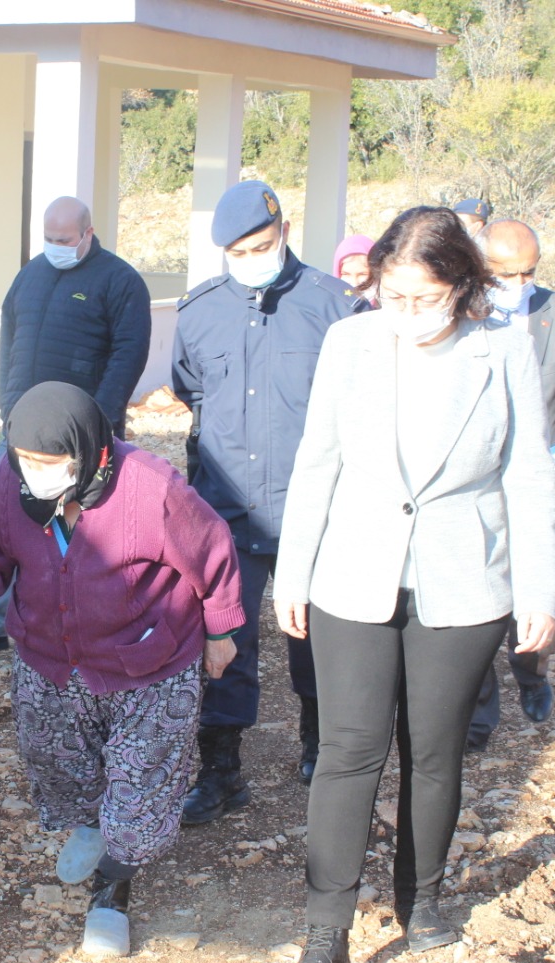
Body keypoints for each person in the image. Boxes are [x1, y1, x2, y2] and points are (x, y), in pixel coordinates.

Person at [271, 206, 555, 963]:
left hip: (463, 576)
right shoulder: (350, 343)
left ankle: (422, 899)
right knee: (348, 751)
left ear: (463, 289)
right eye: (390, 297)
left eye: (423, 299)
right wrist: (291, 572)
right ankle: (324, 935)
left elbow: (528, 473)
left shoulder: (503, 349)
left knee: (432, 752)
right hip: (353, 572)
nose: (405, 315)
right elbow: (317, 462)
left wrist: (540, 588)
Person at [0, 383, 242, 958]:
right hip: (49, 656)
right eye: (26, 461)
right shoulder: (9, 481)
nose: (36, 473)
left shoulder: (150, 486)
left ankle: (112, 891)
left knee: (142, 778)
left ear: (91, 451)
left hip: (148, 658)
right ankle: (91, 826)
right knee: (57, 758)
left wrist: (220, 629)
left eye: (51, 463)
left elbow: (213, 551)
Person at [171, 180, 365, 820]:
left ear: (284, 232)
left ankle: (320, 746)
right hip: (225, 511)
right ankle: (221, 769)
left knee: (315, 637)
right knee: (223, 639)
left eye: (260, 244)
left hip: (317, 513)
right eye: (236, 251)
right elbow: (194, 397)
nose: (250, 257)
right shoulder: (199, 312)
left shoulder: (335, 307)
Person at [0, 196, 151, 658]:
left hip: (82, 439)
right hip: (21, 431)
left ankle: (86, 624)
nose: (55, 247)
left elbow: (128, 354)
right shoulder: (31, 275)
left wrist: (96, 425)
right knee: (8, 522)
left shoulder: (119, 281)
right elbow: (8, 341)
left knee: (86, 529)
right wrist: (8, 406)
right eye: (49, 239)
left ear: (88, 234)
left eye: (64, 240)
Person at [466, 219, 555, 750]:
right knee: (478, 587)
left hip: (540, 477)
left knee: (537, 585)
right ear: (484, 268)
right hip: (476, 480)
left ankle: (531, 673)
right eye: (505, 273)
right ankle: (479, 708)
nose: (517, 282)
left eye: (528, 272)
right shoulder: (462, 312)